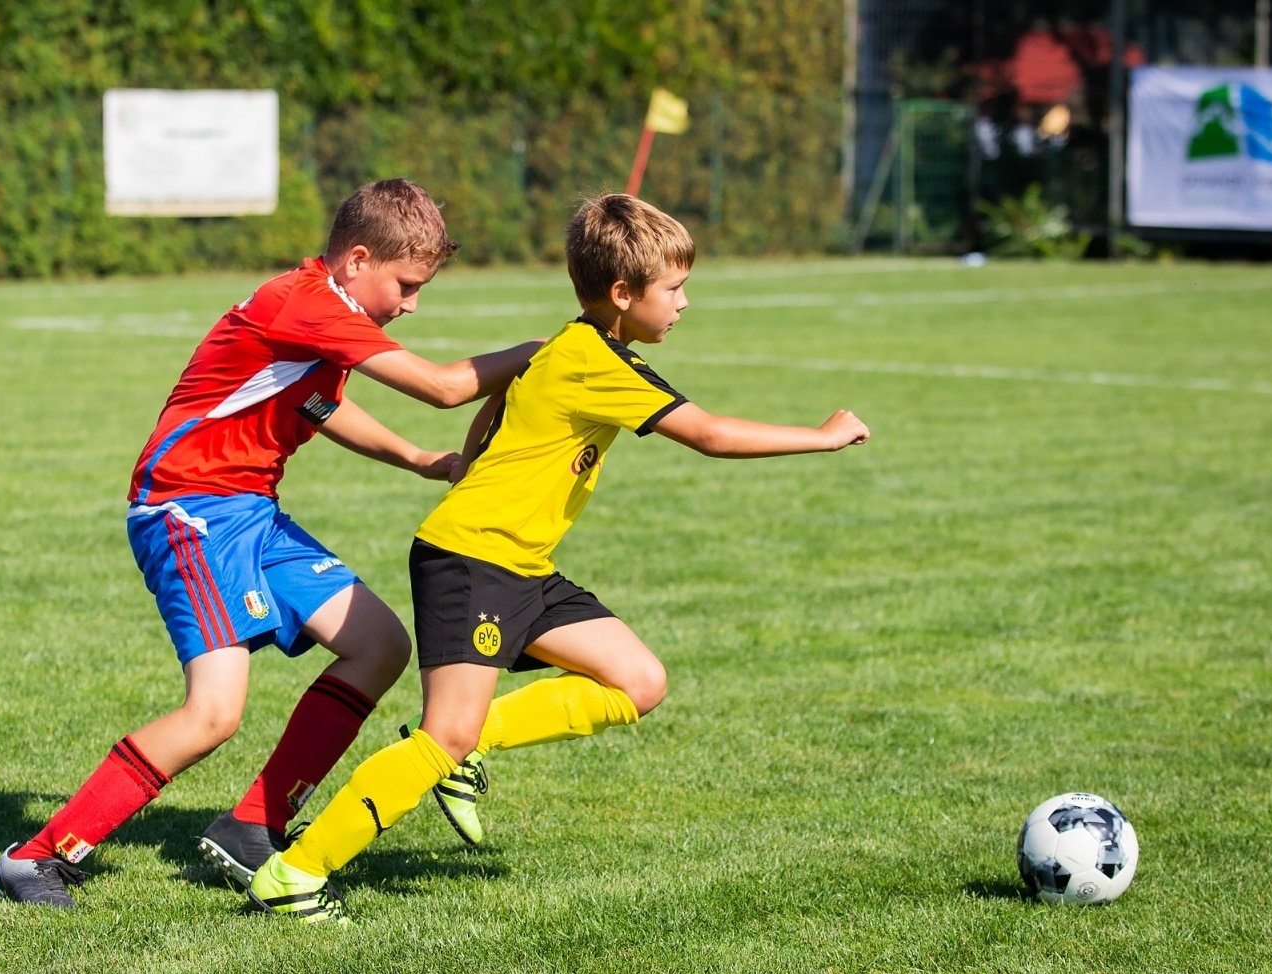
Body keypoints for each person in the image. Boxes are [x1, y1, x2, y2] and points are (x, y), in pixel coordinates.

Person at [248, 192, 872, 923]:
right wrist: (821, 435)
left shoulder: (574, 349)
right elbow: (708, 434)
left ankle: (469, 748)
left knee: (637, 680)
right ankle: (294, 873)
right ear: (621, 293)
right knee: (443, 733)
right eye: (672, 288)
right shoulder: (594, 361)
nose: (684, 302)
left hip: (519, 566)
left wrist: (482, 463)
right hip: (473, 561)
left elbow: (495, 411)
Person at [0, 178, 540, 907]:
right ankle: (36, 858)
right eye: (405, 285)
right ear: (357, 259)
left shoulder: (321, 312)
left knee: (379, 643)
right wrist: (546, 351)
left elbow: (321, 403)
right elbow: (441, 385)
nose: (409, 304)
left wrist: (420, 460)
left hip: (248, 510)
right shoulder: (306, 302)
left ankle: (253, 825)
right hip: (188, 509)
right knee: (215, 713)